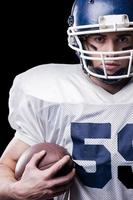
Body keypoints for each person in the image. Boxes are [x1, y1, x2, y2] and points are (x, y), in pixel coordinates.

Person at [0, 0, 133, 199]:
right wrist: (15, 190)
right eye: (99, 38)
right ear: (80, 39)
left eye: (123, 38)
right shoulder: (49, 93)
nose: (111, 51)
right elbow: (6, 164)